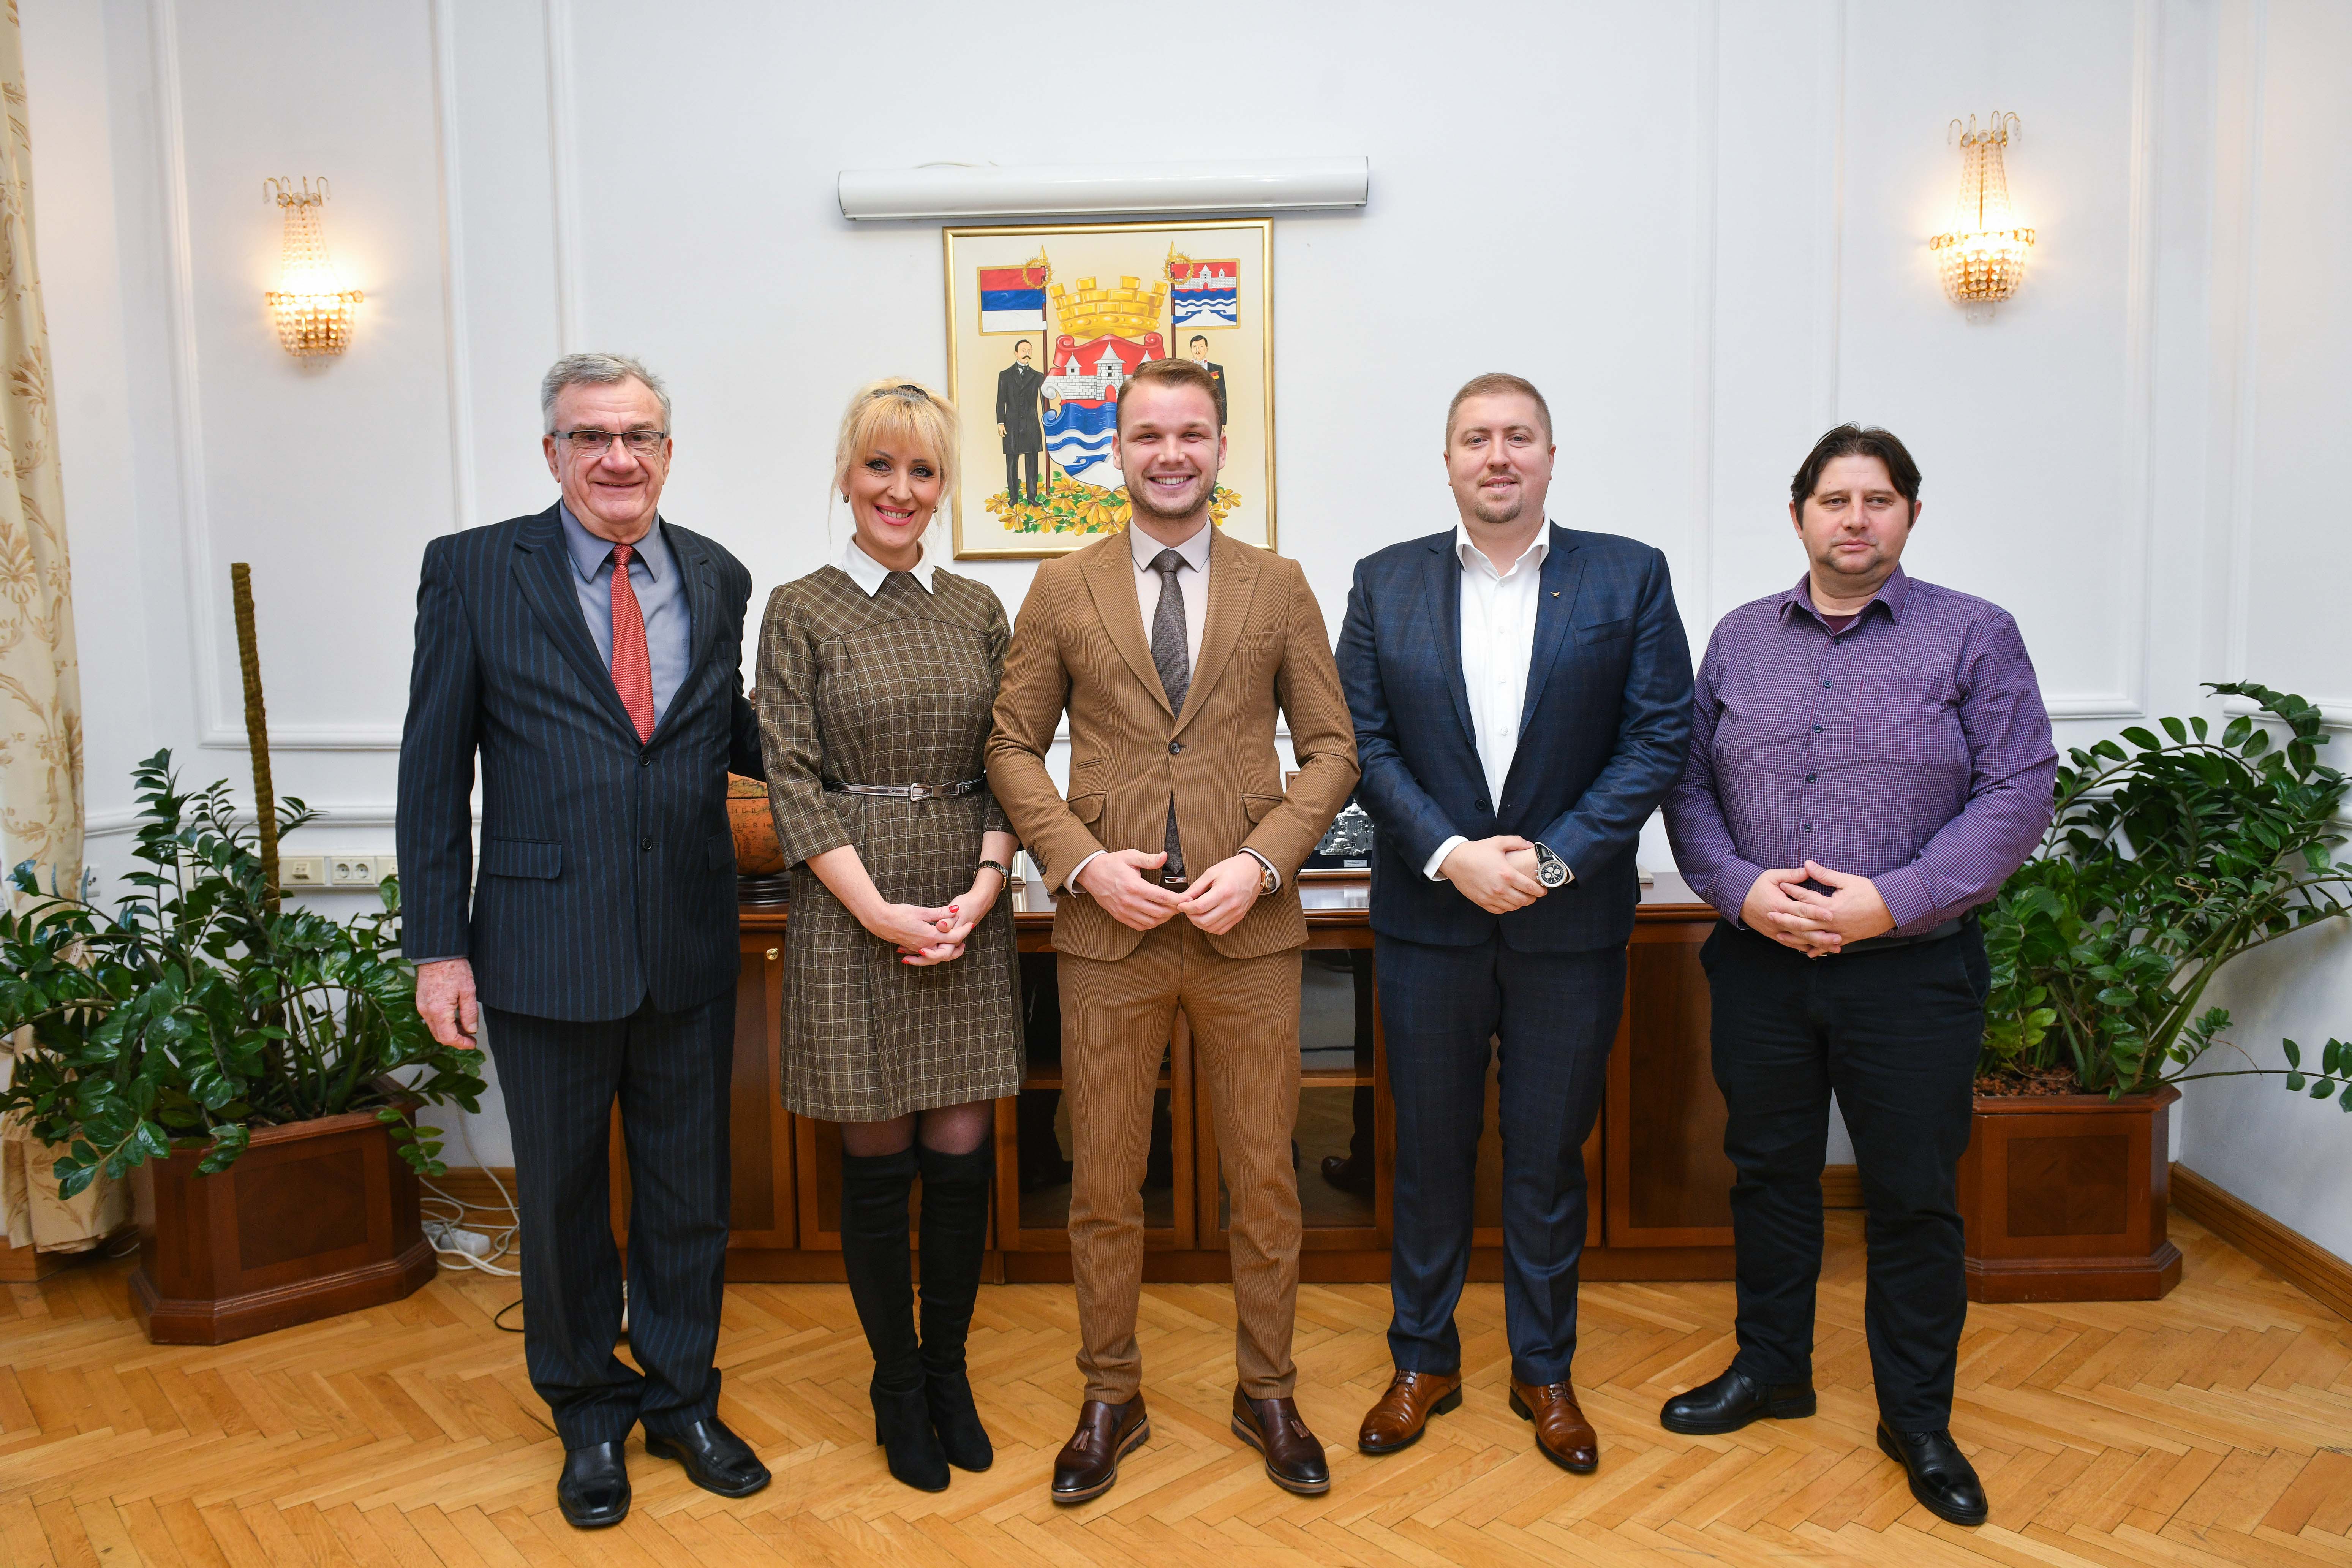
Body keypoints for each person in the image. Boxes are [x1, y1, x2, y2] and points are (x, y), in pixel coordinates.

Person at [397, 353, 771, 1530]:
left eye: (639, 435)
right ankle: (588, 1411)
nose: (618, 457)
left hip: (688, 938)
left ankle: (683, 1398)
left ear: (669, 450)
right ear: (551, 451)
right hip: (543, 942)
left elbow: (735, 739)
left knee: (689, 1193)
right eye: (591, 436)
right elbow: (431, 771)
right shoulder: (473, 570)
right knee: (561, 1198)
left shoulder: (718, 574)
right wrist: (438, 949)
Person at [1660, 424, 2056, 1528]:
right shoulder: (1740, 639)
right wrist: (1740, 888)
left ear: (1910, 515)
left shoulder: (1974, 633)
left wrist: (1895, 897)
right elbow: (1686, 785)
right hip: (1761, 965)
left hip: (1911, 972)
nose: (1854, 518)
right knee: (1768, 1174)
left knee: (1912, 1194)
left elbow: (2019, 787)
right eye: (1833, 499)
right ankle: (1771, 1367)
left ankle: (1916, 1418)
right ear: (1799, 515)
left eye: (1877, 499)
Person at [986, 357, 1359, 1503]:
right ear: (1118, 449)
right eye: (1148, 434)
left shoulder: (1278, 584)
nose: (1170, 453)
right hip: (1110, 931)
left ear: (1220, 447)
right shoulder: (1062, 585)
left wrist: (1262, 861)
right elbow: (1009, 745)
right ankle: (1111, 1393)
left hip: (1250, 926)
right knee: (1103, 1182)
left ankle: (1268, 1389)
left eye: (1190, 433)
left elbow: (1333, 750)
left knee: (1265, 1181)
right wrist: (1082, 862)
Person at [1335, 372, 1693, 1475]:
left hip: (1567, 927)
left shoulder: (1627, 574)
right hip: (1427, 923)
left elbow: (1657, 736)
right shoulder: (1384, 581)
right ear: (1447, 460)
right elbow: (1360, 741)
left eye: (1518, 436)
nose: (1498, 455)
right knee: (1427, 1154)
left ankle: (1544, 1368)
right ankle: (1422, 1359)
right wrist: (1452, 854)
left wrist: (1547, 859)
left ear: (1548, 455)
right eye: (1476, 438)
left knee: (1545, 1160)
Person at [756, 378, 1023, 1493]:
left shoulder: (978, 608)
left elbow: (1011, 758)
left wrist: (985, 885)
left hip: (964, 901)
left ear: (943, 486)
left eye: (921, 470)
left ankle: (948, 1369)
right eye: (879, 465)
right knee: (877, 1165)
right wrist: (873, 909)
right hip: (848, 906)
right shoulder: (799, 607)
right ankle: (895, 1381)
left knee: (959, 1158)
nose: (899, 489)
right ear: (846, 475)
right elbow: (790, 777)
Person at [997, 339, 1048, 505]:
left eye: (1029, 350)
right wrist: (1000, 422)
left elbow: (1044, 402)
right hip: (1011, 425)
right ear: (1016, 353)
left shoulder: (1038, 376)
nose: (1027, 353)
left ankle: (1032, 497)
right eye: (1023, 350)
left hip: (1031, 424)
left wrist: (1048, 420)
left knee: (1032, 462)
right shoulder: (1005, 375)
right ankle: (1014, 497)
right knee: (1012, 462)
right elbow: (1001, 401)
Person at [1187, 333, 1228, 426]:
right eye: (1195, 347)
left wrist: (1222, 422)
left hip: (1210, 414)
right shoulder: (1184, 369)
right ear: (1191, 349)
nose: (1198, 350)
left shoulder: (1217, 369)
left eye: (1201, 346)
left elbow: (1222, 395)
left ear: (1207, 349)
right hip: (1190, 413)